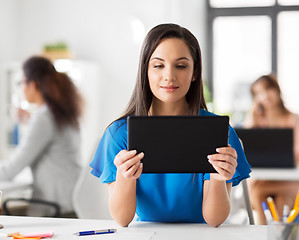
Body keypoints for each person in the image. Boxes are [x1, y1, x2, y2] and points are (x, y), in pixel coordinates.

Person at [89, 23, 251, 227]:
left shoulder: (218, 132)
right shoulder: (120, 134)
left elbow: (215, 220)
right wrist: (124, 176)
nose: (169, 76)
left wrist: (219, 179)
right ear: (145, 71)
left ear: (194, 73)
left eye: (181, 66)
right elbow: (122, 219)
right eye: (158, 65)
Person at [0, 56, 83, 216]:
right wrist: (29, 121)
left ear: (33, 84)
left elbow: (8, 171)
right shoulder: (60, 113)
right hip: (71, 203)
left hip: (54, 209)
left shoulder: (43, 119)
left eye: (21, 83)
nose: (21, 88)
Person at [244, 74, 299, 225]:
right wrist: (253, 116)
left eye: (268, 89)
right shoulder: (257, 119)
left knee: (279, 198)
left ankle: (275, 234)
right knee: (259, 194)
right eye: (258, 93)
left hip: (290, 181)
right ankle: (269, 234)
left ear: (277, 90)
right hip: (263, 180)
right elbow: (246, 149)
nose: (265, 96)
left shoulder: (292, 118)